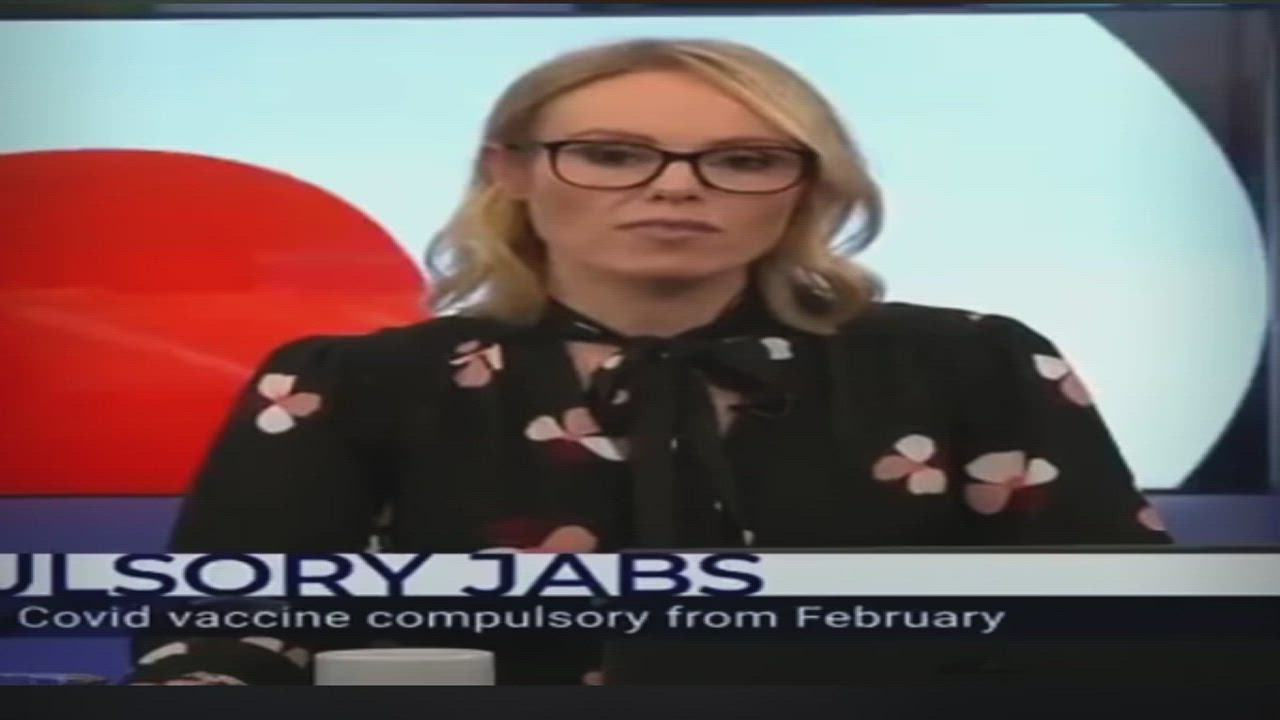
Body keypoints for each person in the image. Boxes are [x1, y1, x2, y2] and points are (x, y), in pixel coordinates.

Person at [127, 37, 1171, 685]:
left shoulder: (973, 366)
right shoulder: (349, 387)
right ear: (510, 172)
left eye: (743, 161)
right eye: (613, 154)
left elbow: (1129, 638)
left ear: (806, 189)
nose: (675, 188)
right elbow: (219, 645)